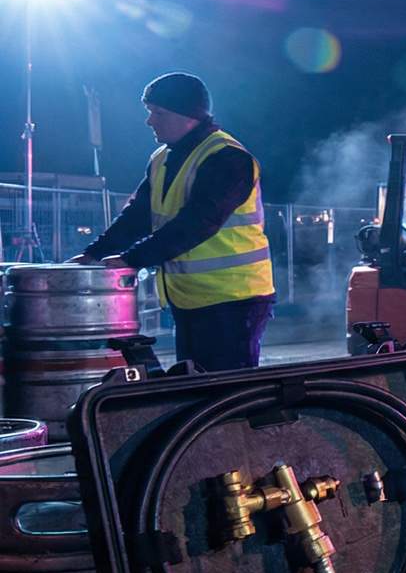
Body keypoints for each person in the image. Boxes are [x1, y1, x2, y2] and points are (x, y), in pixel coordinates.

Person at [74, 72, 276, 371]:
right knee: (196, 389)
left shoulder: (228, 158)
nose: (149, 121)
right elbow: (137, 217)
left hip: (234, 300)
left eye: (158, 113)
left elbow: (197, 223)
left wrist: (132, 259)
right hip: (192, 299)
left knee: (225, 392)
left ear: (188, 116)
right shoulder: (162, 158)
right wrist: (94, 253)